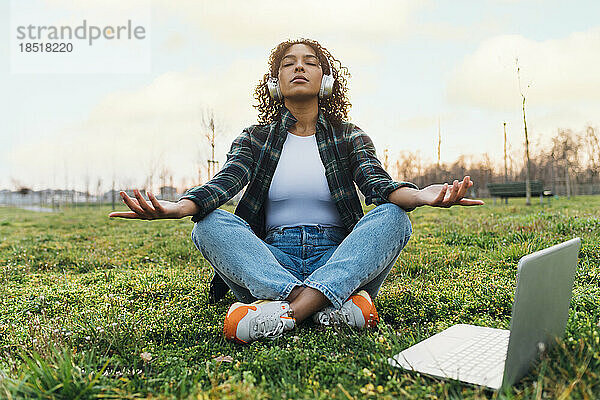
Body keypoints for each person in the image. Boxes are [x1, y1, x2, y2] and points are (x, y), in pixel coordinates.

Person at [109, 38, 484, 344]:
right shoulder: (256, 139)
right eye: (289, 63)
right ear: (275, 82)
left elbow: (379, 186)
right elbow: (223, 184)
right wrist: (178, 208)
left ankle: (286, 313)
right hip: (271, 262)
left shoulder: (348, 136)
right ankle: (331, 305)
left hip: (338, 257)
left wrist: (421, 195)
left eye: (310, 62)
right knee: (207, 225)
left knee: (393, 217)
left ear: (326, 80)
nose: (299, 67)